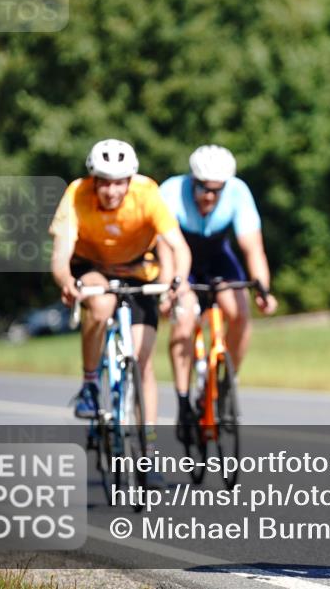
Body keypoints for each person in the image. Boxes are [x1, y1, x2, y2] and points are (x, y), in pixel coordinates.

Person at [50, 139, 192, 486]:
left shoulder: (147, 193)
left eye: (119, 182)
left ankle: (148, 455)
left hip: (136, 271)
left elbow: (178, 247)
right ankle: (88, 384)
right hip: (92, 267)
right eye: (104, 181)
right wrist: (67, 282)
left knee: (143, 361)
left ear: (129, 180)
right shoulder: (76, 194)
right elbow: (60, 254)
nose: (112, 190)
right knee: (101, 305)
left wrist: (178, 282)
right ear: (93, 180)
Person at [159, 144, 278, 440]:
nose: (209, 196)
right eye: (203, 188)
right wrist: (167, 292)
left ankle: (226, 385)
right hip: (180, 262)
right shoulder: (171, 191)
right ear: (192, 180)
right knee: (184, 320)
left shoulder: (238, 191)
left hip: (217, 259)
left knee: (240, 313)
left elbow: (253, 248)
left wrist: (263, 288)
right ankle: (184, 401)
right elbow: (165, 251)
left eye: (217, 190)